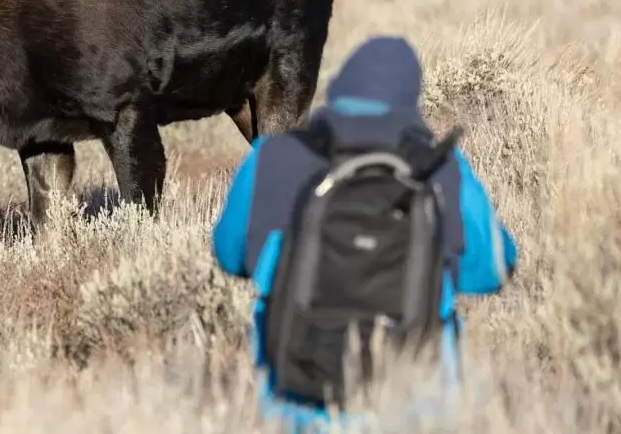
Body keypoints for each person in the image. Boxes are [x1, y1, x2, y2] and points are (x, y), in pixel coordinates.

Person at [212, 35, 518, 431]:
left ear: (338, 91)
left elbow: (229, 252)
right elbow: (493, 268)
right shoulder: (441, 168)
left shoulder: (274, 156)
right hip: (413, 398)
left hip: (297, 395)